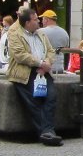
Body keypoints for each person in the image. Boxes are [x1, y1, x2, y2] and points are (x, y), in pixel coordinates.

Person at [6, 8, 63, 146]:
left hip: (43, 72)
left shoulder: (41, 34)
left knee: (51, 96)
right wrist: (40, 63)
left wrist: (47, 63)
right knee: (34, 101)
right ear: (27, 23)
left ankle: (46, 132)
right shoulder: (15, 34)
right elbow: (20, 55)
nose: (39, 21)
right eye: (35, 19)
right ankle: (47, 132)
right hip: (24, 73)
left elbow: (50, 50)